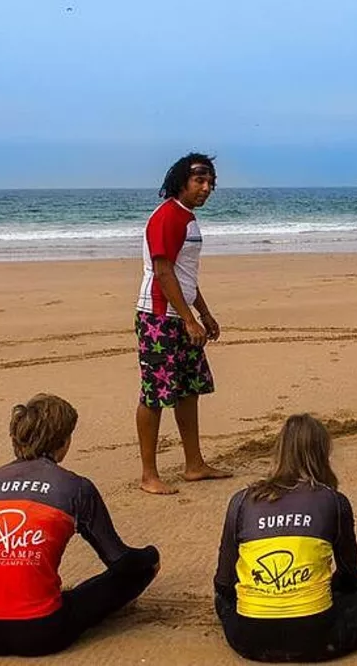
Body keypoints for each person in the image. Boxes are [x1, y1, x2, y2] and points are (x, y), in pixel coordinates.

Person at [0, 394, 160, 656]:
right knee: (139, 570)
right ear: (63, 441)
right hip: (44, 632)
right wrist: (150, 555)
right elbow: (119, 561)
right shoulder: (76, 487)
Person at [213, 414, 357, 661]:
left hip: (246, 639)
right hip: (316, 638)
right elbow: (349, 575)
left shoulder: (241, 501)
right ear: (322, 453)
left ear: (279, 451)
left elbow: (223, 583)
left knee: (223, 600)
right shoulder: (333, 500)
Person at [135, 152, 230, 494]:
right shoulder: (167, 217)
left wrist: (204, 313)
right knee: (155, 394)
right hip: (159, 317)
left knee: (189, 391)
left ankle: (194, 465)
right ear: (181, 182)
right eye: (199, 181)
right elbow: (162, 271)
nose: (206, 188)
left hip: (184, 314)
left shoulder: (188, 218)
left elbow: (186, 274)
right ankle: (149, 475)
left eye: (210, 183)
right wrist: (189, 320)